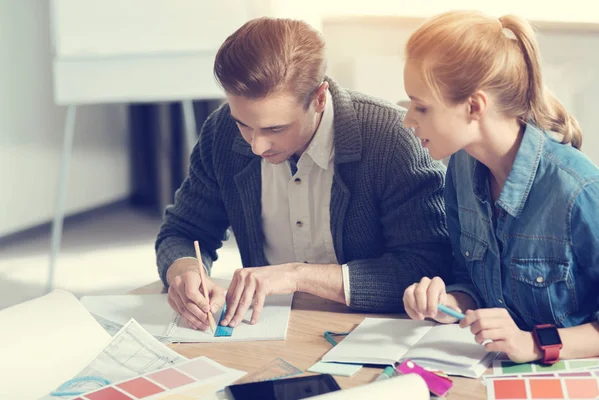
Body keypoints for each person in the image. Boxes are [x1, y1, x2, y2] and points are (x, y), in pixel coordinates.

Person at [156, 17, 451, 331]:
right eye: (244, 123)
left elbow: (427, 266)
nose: (256, 146)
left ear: (319, 97)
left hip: (369, 332)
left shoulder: (392, 138)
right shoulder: (221, 132)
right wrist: (184, 271)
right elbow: (183, 232)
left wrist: (296, 276)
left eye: (275, 128)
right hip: (264, 329)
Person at [401, 11, 599, 363]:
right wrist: (450, 303)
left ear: (474, 106)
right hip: (491, 372)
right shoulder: (461, 169)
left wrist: (535, 345)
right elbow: (470, 279)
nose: (407, 120)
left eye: (421, 107)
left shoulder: (578, 191)